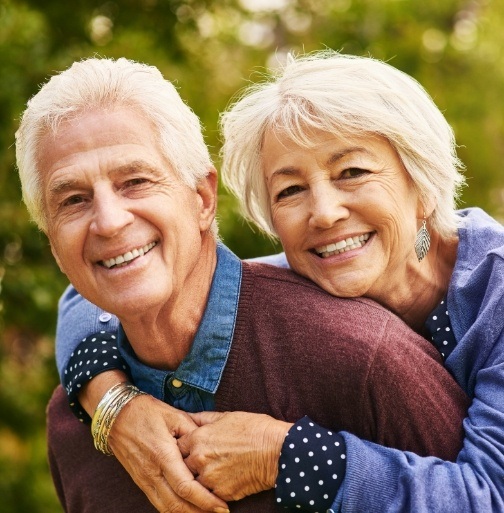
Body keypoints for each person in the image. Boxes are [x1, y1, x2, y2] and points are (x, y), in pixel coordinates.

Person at [52, 51, 504, 512]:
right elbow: (92, 294)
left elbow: (491, 498)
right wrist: (116, 404)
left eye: (352, 172)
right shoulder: (304, 271)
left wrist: (285, 455)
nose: (324, 212)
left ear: (423, 183)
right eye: (290, 190)